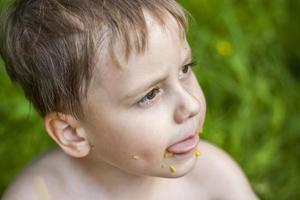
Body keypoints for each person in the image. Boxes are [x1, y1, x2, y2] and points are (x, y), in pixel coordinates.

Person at [0, 0, 258, 199]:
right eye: (149, 95)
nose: (192, 105)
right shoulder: (39, 194)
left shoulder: (214, 180)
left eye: (185, 69)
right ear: (72, 133)